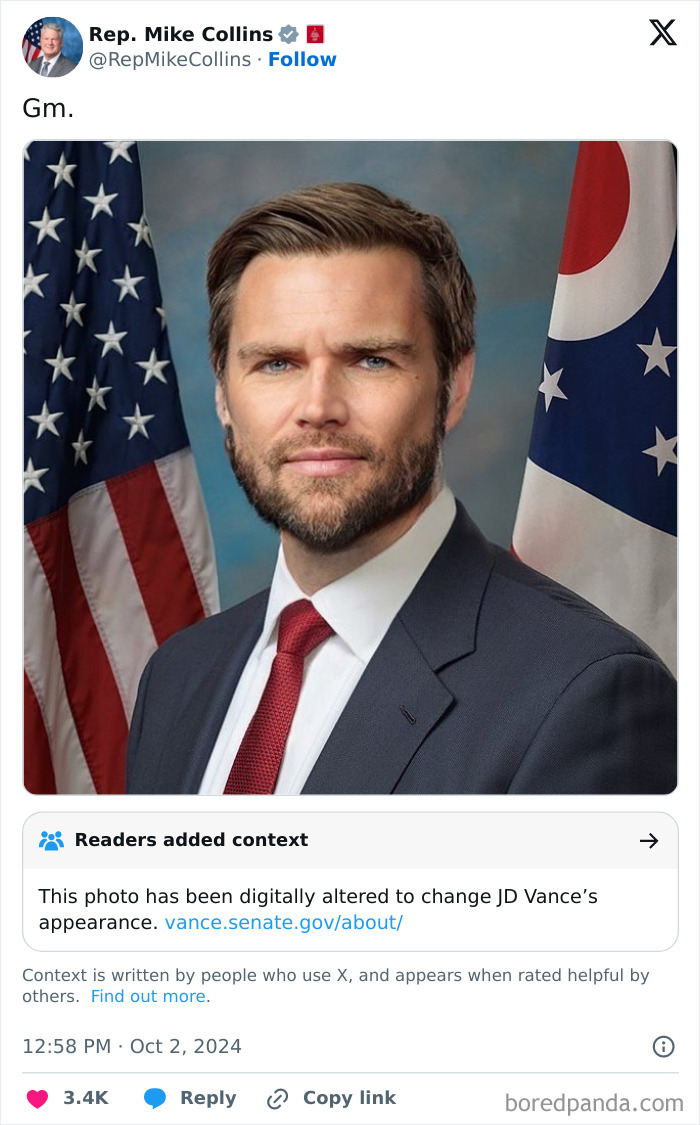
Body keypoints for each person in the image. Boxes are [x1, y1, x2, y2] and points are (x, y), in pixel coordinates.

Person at [126, 183, 676, 795]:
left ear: (455, 384)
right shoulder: (177, 677)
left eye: (371, 360)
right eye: (277, 363)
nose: (319, 408)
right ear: (224, 396)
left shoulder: (585, 694)